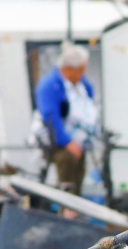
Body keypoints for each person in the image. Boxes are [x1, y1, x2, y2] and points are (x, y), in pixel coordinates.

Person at [32, 45, 98, 195]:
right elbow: (50, 118)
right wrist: (67, 142)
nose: (83, 74)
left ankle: (76, 202)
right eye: (80, 70)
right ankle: (66, 204)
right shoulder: (49, 86)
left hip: (79, 140)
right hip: (55, 143)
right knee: (67, 161)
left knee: (79, 168)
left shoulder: (82, 85)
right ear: (69, 68)